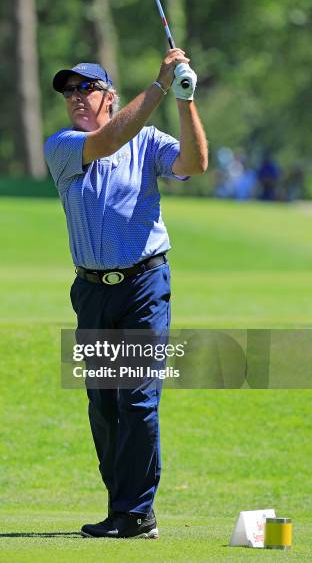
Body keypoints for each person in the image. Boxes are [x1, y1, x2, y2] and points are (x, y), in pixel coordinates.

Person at [45, 49, 208, 538]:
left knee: (137, 400)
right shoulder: (64, 145)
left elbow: (195, 163)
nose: (75, 97)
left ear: (109, 97)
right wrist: (158, 86)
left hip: (142, 286)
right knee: (104, 404)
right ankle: (123, 508)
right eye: (70, 91)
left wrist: (184, 97)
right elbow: (111, 139)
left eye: (86, 88)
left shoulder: (149, 141)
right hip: (92, 292)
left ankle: (137, 513)